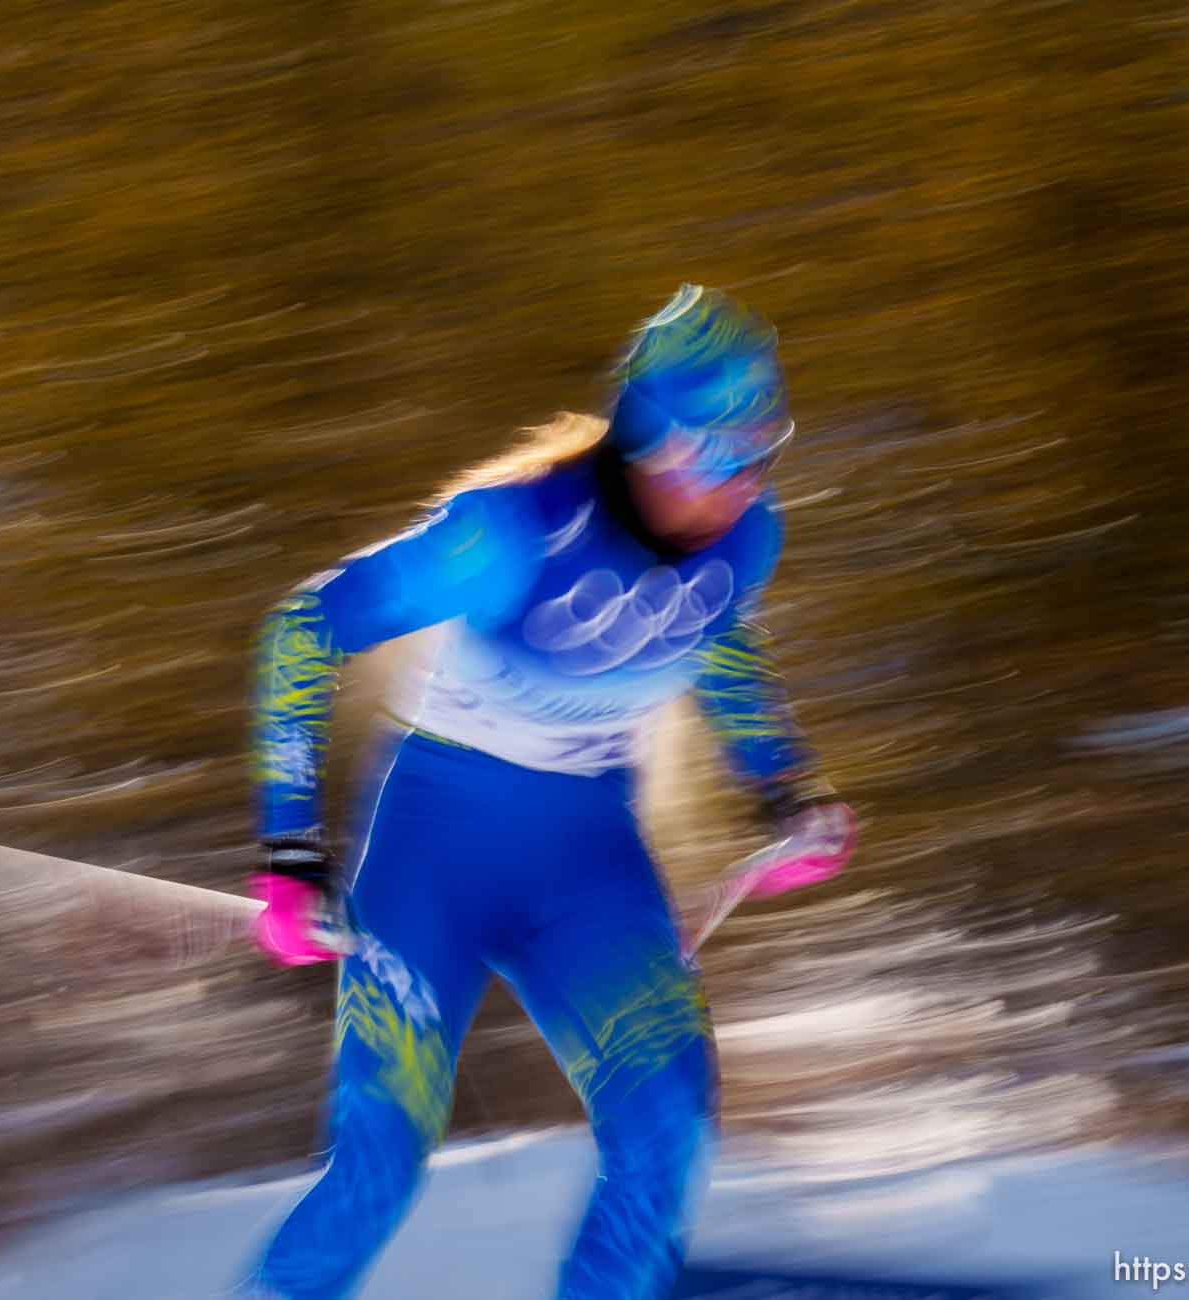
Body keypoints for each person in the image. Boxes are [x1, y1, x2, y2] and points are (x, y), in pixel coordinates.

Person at [241, 284, 858, 1300]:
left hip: (585, 856)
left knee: (669, 1123)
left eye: (765, 450)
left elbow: (716, 639)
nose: (745, 482)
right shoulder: (510, 536)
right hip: (433, 853)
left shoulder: (748, 538)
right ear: (651, 444)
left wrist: (787, 787)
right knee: (381, 1166)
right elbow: (306, 628)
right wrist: (289, 848)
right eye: (721, 454)